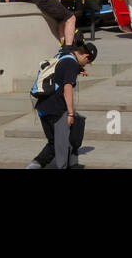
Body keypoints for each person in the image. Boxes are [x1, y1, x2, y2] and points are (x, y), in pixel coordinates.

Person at [26, 40, 97, 169]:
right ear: (86, 56)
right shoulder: (71, 64)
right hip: (57, 110)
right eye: (88, 62)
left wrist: (78, 69)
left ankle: (33, 165)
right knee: (63, 146)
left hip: (42, 107)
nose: (86, 65)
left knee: (53, 143)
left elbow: (58, 72)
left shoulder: (63, 55)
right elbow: (67, 88)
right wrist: (70, 113)